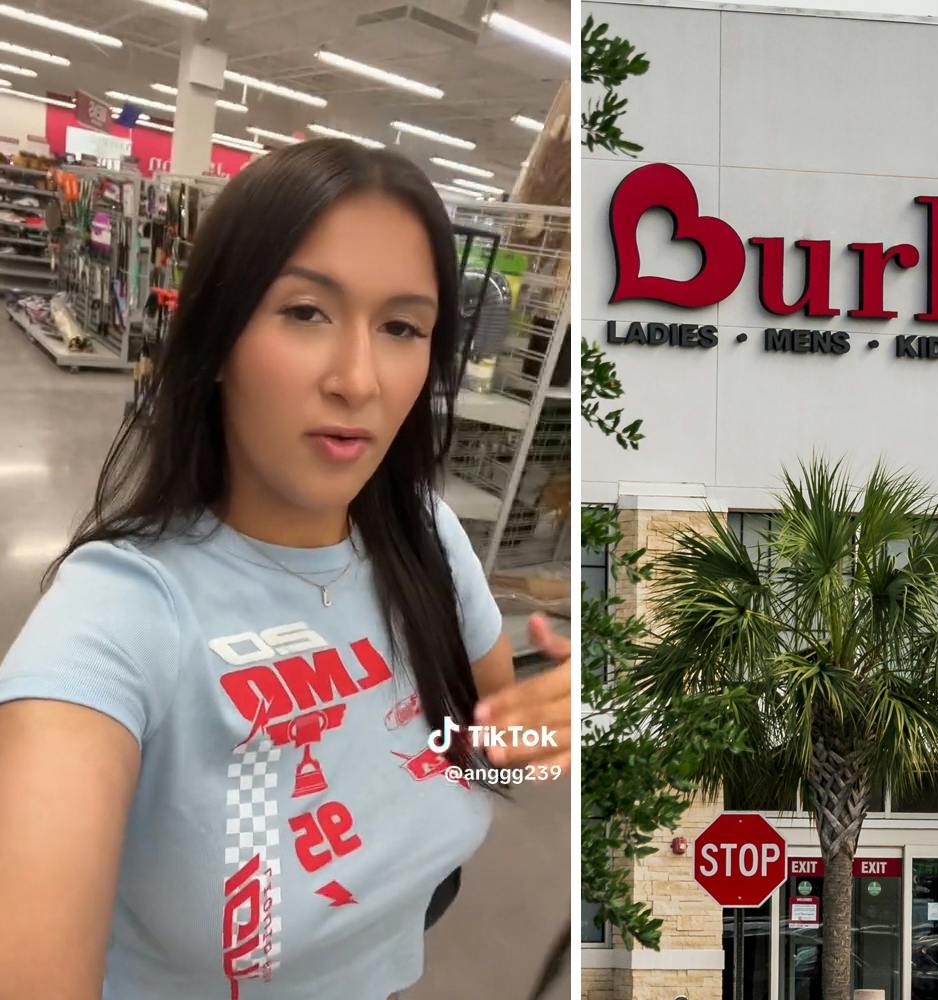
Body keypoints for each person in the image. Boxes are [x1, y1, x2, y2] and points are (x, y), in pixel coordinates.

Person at [0, 139, 572, 999]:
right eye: (306, 312)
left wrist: (548, 731)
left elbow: (480, 748)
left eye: (402, 328)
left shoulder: (428, 538)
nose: (358, 379)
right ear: (220, 332)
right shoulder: (118, 622)